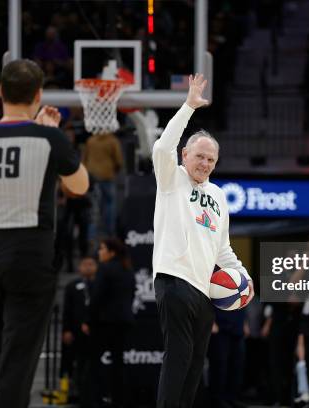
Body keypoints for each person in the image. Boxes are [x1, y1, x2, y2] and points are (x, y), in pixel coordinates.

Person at [0, 59, 89, 408]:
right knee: (18, 362)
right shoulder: (48, 137)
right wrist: (50, 133)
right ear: (38, 95)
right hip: (29, 252)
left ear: (1, 91)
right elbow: (79, 186)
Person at [151, 73, 254, 407]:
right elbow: (162, 146)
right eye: (200, 156)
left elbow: (222, 248)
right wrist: (188, 106)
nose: (205, 163)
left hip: (205, 290)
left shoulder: (219, 195)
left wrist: (245, 278)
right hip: (174, 279)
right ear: (185, 155)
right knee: (179, 356)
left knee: (195, 365)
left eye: (211, 159)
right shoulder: (171, 178)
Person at [83, 238, 135, 406]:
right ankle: (119, 400)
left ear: (111, 252)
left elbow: (97, 297)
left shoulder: (105, 269)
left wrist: (88, 321)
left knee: (94, 363)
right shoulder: (128, 269)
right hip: (124, 322)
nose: (99, 252)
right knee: (118, 363)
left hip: (104, 323)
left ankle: (94, 400)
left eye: (102, 248)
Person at [61, 255, 97, 408]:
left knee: (93, 366)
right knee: (76, 364)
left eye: (91, 264)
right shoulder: (72, 286)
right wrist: (66, 330)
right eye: (85, 264)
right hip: (76, 332)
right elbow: (67, 311)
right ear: (79, 267)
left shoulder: (100, 285)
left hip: (95, 332)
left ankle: (94, 396)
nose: (88, 267)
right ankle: (75, 394)